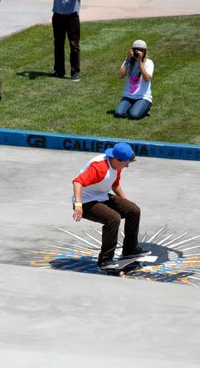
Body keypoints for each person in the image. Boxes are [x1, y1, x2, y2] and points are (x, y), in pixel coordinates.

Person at [71, 142, 147, 271]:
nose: (127, 166)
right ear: (117, 159)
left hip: (102, 196)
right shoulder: (99, 167)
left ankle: (130, 250)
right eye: (126, 163)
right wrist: (78, 205)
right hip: (85, 202)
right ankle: (105, 260)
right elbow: (77, 182)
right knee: (113, 218)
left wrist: (126, 203)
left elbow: (115, 184)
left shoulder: (116, 165)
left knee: (134, 210)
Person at [114, 39, 154, 120]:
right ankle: (135, 106)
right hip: (128, 96)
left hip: (143, 97)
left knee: (134, 115)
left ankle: (146, 107)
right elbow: (120, 76)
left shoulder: (149, 62)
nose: (138, 52)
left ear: (144, 52)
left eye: (141, 50)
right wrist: (128, 59)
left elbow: (147, 78)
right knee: (118, 113)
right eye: (136, 50)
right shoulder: (128, 62)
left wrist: (140, 63)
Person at [52, 0, 81, 81]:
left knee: (74, 45)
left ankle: (75, 72)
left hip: (72, 14)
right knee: (58, 44)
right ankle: (59, 71)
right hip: (58, 13)